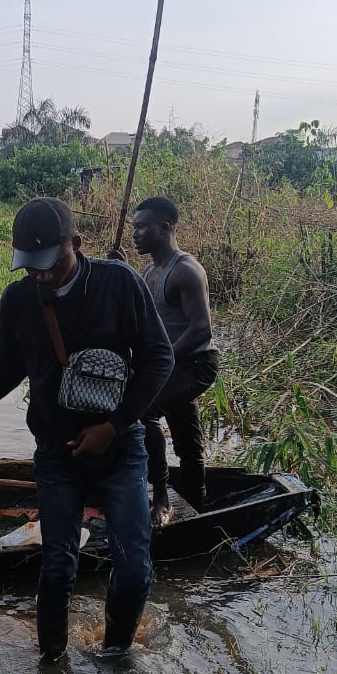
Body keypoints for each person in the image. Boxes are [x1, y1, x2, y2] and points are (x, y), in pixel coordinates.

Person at [0, 197, 173, 662]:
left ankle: (114, 659)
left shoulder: (119, 284)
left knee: (134, 569)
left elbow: (160, 360)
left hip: (120, 451)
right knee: (57, 569)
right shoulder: (18, 301)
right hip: (56, 455)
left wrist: (113, 427)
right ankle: (51, 670)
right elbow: (6, 371)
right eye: (30, 267)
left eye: (50, 264)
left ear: (76, 244)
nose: (40, 276)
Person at [110, 196, 218, 527]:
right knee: (187, 441)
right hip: (170, 364)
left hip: (195, 364)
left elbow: (202, 330)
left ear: (166, 227)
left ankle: (160, 498)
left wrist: (159, 364)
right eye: (134, 227)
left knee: (143, 412)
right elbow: (140, 312)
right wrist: (122, 270)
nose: (136, 233)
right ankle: (197, 505)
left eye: (143, 227)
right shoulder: (149, 269)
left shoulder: (185, 271)